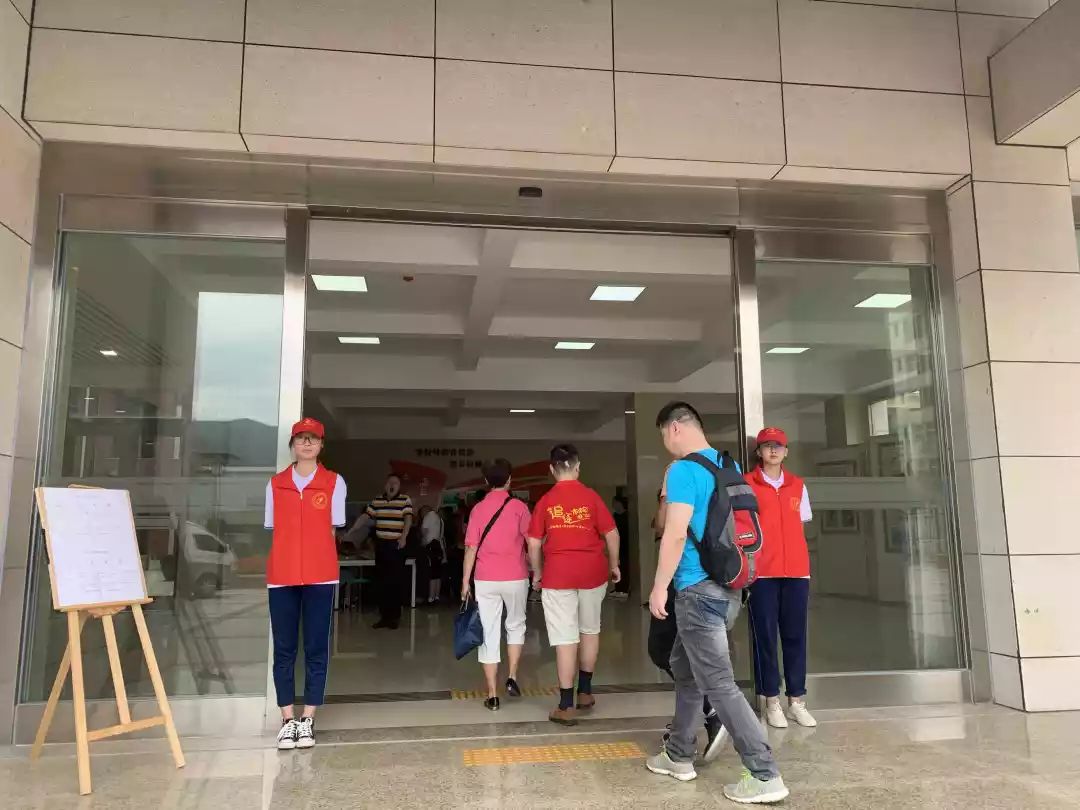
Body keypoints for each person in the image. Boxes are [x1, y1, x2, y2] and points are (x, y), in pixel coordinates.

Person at [646, 402, 788, 804]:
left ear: (675, 428)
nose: (666, 443)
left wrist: (659, 587)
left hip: (696, 591)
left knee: (719, 683)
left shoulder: (683, 470)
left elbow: (675, 533)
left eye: (663, 435)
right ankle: (678, 754)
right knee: (685, 669)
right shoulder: (728, 467)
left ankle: (763, 773)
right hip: (729, 588)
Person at [263, 417, 346, 750]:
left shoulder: (334, 482)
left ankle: (308, 718)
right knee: (284, 649)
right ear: (293, 445)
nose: (307, 444)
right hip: (281, 576)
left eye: (313, 438)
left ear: (321, 444)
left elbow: (333, 529)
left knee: (316, 647)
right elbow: (274, 528)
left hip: (320, 575)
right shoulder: (275, 484)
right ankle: (287, 719)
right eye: (301, 438)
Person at [527, 444, 621, 726]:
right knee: (590, 630)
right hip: (593, 573)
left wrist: (537, 573)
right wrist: (614, 565)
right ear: (578, 468)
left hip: (557, 576)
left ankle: (566, 705)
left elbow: (534, 542)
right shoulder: (591, 497)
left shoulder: (546, 501)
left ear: (551, 470)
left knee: (565, 638)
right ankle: (585, 692)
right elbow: (612, 533)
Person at [746, 427, 817, 729]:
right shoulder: (747, 484)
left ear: (786, 452)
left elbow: (801, 525)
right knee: (764, 637)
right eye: (767, 446)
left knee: (795, 636)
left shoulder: (797, 485)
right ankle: (771, 701)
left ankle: (797, 701)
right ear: (759, 452)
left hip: (797, 572)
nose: (773, 450)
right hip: (762, 573)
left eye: (778, 446)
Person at [460, 459, 532, 711]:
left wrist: (465, 581)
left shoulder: (478, 509)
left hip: (485, 578)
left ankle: (492, 695)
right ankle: (511, 677)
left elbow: (471, 548)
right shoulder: (520, 507)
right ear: (510, 479)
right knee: (516, 625)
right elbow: (531, 541)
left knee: (489, 631)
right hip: (516, 576)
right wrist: (537, 569)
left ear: (485, 481)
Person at [366, 474, 414, 630]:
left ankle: (394, 617)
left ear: (399, 486)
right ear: (385, 485)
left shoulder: (405, 500)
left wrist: (404, 537)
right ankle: (384, 616)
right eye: (390, 482)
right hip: (381, 545)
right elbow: (366, 517)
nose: (392, 485)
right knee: (382, 581)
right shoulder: (377, 500)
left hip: (396, 545)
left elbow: (408, 519)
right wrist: (352, 530)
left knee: (395, 581)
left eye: (396, 483)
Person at [418, 504, 445, 605]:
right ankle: (436, 596)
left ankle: (430, 597)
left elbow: (424, 532)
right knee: (437, 574)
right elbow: (441, 536)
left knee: (431, 573)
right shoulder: (440, 519)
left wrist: (422, 543)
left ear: (424, 511)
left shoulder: (428, 516)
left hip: (430, 547)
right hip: (438, 548)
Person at [610, 497, 631, 599]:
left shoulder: (627, 516)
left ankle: (624, 589)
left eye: (615, 503)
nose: (613, 505)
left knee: (624, 567)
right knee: (615, 566)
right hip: (616, 545)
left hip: (625, 545)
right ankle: (618, 588)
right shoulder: (615, 516)